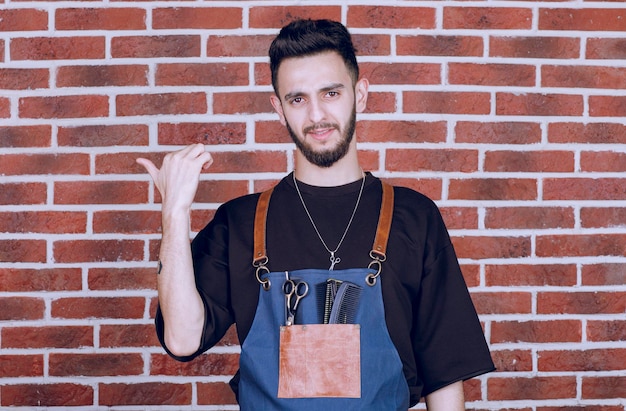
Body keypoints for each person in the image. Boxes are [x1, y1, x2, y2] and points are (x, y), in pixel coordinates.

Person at [137, 19, 495, 410]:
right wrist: (173, 213)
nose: (316, 114)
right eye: (298, 99)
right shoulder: (239, 223)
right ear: (279, 108)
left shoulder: (415, 217)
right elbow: (182, 339)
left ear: (360, 95)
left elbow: (443, 378)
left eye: (330, 93)